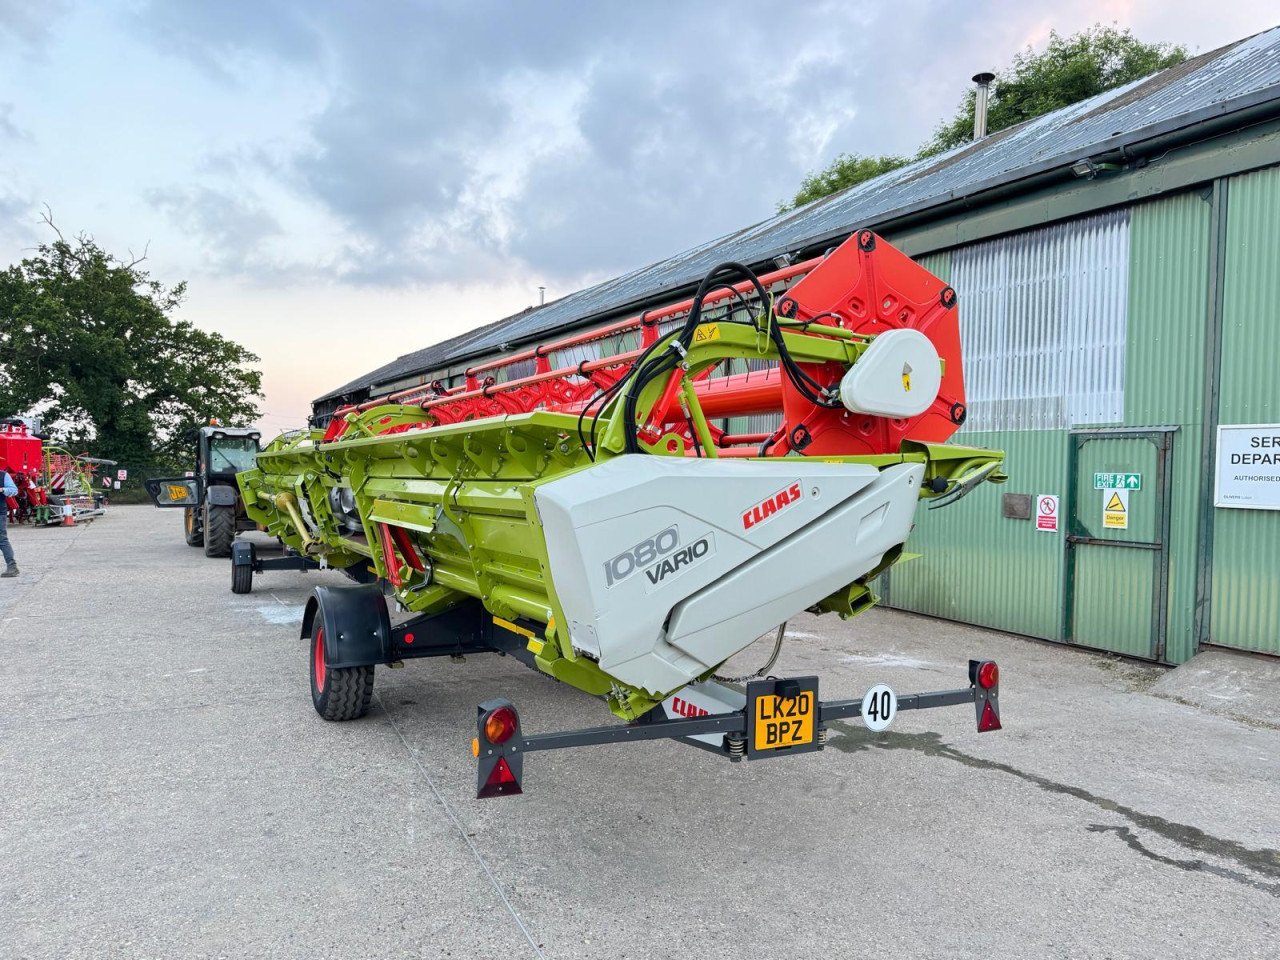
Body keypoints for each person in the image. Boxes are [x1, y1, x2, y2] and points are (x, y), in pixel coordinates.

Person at [0, 463, 17, 576]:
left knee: (1, 539)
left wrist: (2, 489)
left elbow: (13, 490)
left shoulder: (3, 475)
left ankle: (12, 567)